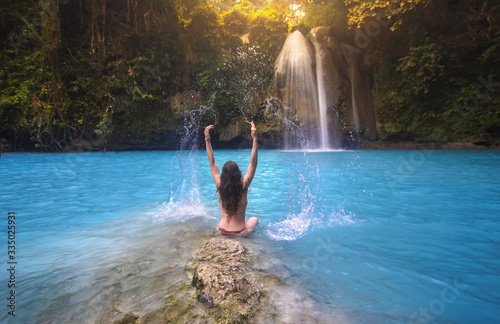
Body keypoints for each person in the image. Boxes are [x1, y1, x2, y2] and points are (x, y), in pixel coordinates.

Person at [204, 121, 259, 236]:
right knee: (254, 219)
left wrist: (207, 139)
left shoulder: (219, 184)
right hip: (239, 233)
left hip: (221, 230)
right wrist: (255, 138)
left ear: (223, 175)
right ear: (238, 173)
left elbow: (212, 162)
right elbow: (253, 163)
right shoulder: (244, 185)